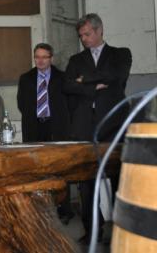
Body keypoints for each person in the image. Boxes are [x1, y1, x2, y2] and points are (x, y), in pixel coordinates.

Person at [63, 13, 131, 243]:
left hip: (113, 125)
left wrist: (83, 80)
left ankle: (122, 229)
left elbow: (116, 76)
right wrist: (93, 87)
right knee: (87, 182)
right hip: (85, 126)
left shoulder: (121, 54)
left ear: (100, 30)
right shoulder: (76, 59)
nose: (84, 39)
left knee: (118, 178)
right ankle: (92, 230)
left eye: (87, 34)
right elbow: (67, 86)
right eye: (81, 35)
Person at [17, 42, 73, 223]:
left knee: (59, 168)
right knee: (36, 168)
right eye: (37, 57)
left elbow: (69, 104)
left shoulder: (63, 77)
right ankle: (38, 208)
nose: (40, 61)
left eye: (44, 57)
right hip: (34, 128)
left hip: (56, 127)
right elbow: (21, 104)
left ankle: (63, 209)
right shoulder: (26, 78)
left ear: (51, 58)